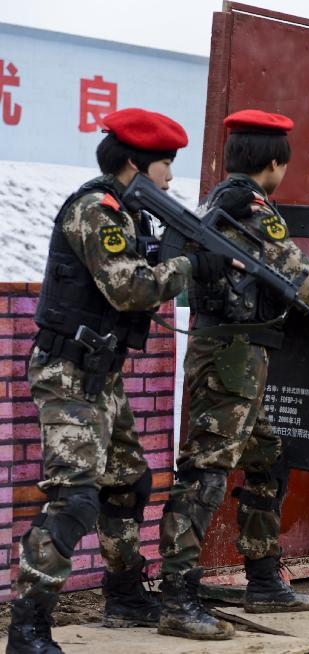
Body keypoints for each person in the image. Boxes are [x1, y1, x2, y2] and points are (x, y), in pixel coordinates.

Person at [8, 108, 230, 653]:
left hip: (100, 375)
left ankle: (125, 594)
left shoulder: (129, 216)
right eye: (165, 166)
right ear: (136, 163)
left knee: (127, 483)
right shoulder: (96, 211)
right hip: (67, 374)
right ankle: (28, 626)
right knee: (75, 500)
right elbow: (129, 289)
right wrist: (191, 268)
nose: (170, 178)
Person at [156, 109, 309, 640]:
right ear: (275, 163)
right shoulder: (253, 207)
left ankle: (261, 577)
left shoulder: (215, 202)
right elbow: (304, 281)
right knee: (205, 470)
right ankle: (177, 596)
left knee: (266, 460)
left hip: (232, 351)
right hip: (230, 354)